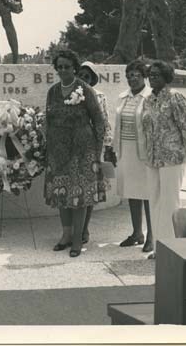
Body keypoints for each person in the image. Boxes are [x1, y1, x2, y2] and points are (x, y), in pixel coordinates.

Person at [44, 49, 105, 257]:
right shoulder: (52, 91)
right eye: (59, 67)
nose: (63, 70)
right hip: (58, 150)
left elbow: (98, 120)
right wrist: (48, 146)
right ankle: (66, 235)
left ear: (74, 68)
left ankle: (78, 239)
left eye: (67, 66)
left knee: (79, 195)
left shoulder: (85, 89)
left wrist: (97, 149)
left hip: (82, 149)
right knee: (62, 193)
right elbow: (48, 120)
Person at [142, 60, 186, 259]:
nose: (152, 78)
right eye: (150, 74)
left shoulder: (176, 97)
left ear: (166, 77)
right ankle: (159, 247)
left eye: (157, 75)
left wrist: (183, 147)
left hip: (172, 158)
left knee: (170, 202)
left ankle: (171, 249)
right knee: (155, 202)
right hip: (153, 158)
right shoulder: (148, 100)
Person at [112, 59, 153, 252]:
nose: (132, 79)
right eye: (129, 76)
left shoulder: (152, 96)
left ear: (144, 76)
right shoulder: (123, 97)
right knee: (132, 193)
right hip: (126, 151)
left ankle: (152, 235)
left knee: (148, 194)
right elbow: (117, 125)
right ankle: (137, 233)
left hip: (145, 153)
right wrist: (113, 150)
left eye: (136, 75)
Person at [77, 60, 113, 243]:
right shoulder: (70, 93)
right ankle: (73, 229)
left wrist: (105, 148)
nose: (83, 79)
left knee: (90, 188)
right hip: (74, 148)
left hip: (92, 147)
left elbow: (104, 123)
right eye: (80, 75)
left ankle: (84, 229)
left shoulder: (99, 96)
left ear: (92, 79)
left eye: (87, 76)